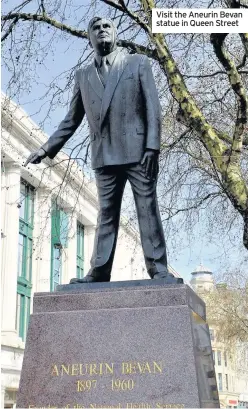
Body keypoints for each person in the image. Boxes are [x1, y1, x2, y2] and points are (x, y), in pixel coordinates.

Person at [25, 17, 182, 284]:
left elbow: (153, 109)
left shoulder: (138, 63)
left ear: (116, 33)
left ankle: (158, 268)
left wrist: (152, 147)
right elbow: (71, 120)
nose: (101, 31)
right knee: (106, 214)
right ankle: (99, 271)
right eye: (95, 29)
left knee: (147, 209)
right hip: (104, 154)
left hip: (138, 151)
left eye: (106, 26)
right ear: (89, 38)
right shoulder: (83, 75)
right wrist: (45, 149)